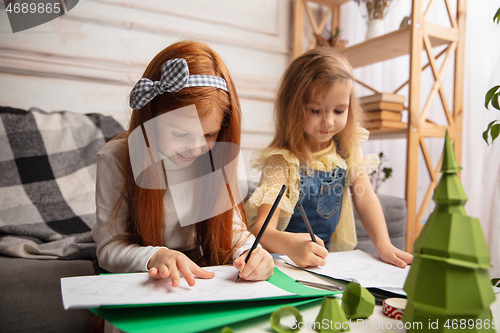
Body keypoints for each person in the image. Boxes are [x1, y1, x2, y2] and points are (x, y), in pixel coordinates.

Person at [93, 40, 274, 287]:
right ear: (150, 119)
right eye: (180, 134)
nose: (197, 148)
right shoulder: (115, 159)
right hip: (141, 272)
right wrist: (154, 256)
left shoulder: (220, 155)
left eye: (209, 135)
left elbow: (231, 229)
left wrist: (250, 252)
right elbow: (109, 249)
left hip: (198, 271)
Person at [244, 47, 413, 269]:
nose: (328, 121)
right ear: (293, 109)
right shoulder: (283, 161)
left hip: (327, 261)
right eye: (315, 110)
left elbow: (365, 198)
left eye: (339, 110)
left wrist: (384, 245)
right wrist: (291, 246)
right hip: (283, 263)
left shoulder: (347, 149)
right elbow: (261, 231)